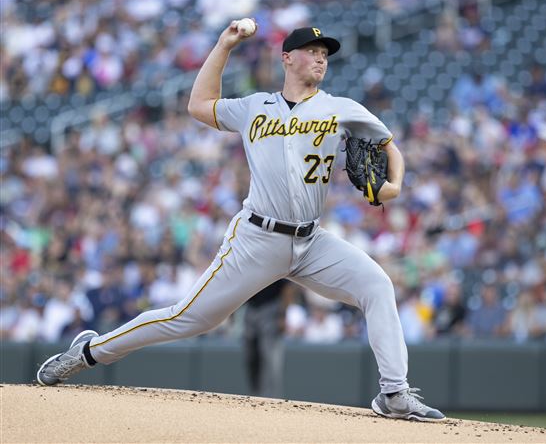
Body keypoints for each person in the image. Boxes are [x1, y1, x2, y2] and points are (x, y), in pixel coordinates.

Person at [36, 22, 444, 422]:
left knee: (377, 285)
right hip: (256, 238)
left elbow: (391, 147)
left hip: (312, 241)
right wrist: (223, 47)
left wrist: (393, 186)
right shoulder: (254, 107)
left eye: (325, 55)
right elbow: (198, 105)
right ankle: (88, 352)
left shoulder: (340, 108)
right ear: (287, 58)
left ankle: (394, 393)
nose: (321, 59)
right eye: (312, 52)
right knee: (189, 318)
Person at [243, 279, 293, 398]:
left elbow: (288, 287)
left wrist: (282, 314)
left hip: (271, 307)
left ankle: (272, 399)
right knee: (251, 357)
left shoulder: (277, 260)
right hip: (251, 307)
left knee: (270, 357)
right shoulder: (250, 260)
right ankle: (255, 396)